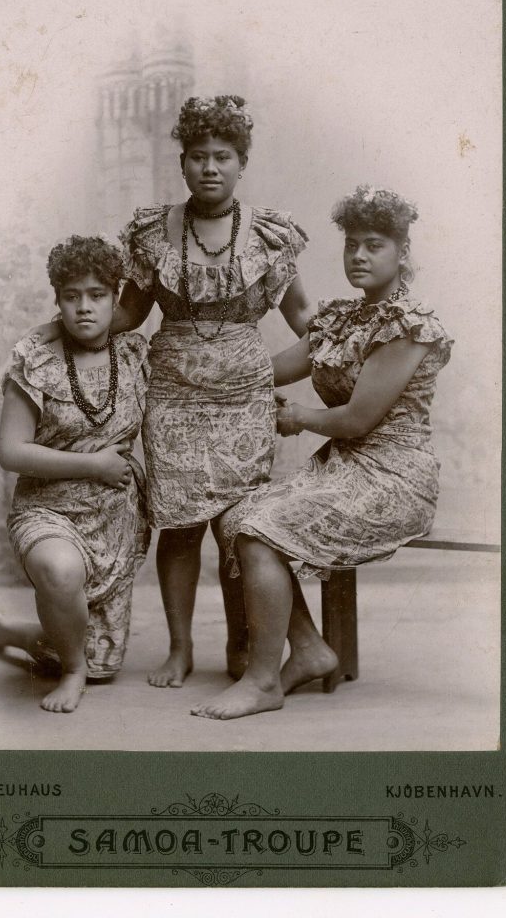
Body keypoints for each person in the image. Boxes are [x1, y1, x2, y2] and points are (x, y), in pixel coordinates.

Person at [191, 185, 453, 720]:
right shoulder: (339, 320)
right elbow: (268, 370)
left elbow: (358, 419)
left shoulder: (411, 326)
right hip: (342, 468)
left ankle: (263, 681)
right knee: (234, 518)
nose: (358, 255)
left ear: (403, 253)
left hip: (394, 476)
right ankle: (308, 648)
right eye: (351, 244)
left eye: (374, 245)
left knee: (258, 528)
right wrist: (198, 375)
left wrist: (298, 418)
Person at [114, 94, 314, 687]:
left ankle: (243, 641)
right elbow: (128, 312)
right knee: (179, 526)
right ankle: (179, 649)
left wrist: (352, 354)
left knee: (238, 521)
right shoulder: (153, 234)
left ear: (242, 162)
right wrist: (63, 326)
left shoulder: (270, 237)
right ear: (181, 164)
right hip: (172, 395)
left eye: (222, 156)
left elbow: (308, 320)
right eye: (197, 156)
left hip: (243, 402)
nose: (209, 167)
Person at [0, 235, 150, 713]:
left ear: (115, 298)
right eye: (71, 296)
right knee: (61, 574)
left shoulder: (136, 355)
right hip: (47, 510)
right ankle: (71, 673)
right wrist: (93, 465)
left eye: (97, 295)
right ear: (57, 300)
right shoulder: (34, 363)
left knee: (102, 660)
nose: (84, 308)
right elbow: (10, 451)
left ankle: (10, 633)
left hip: (112, 519)